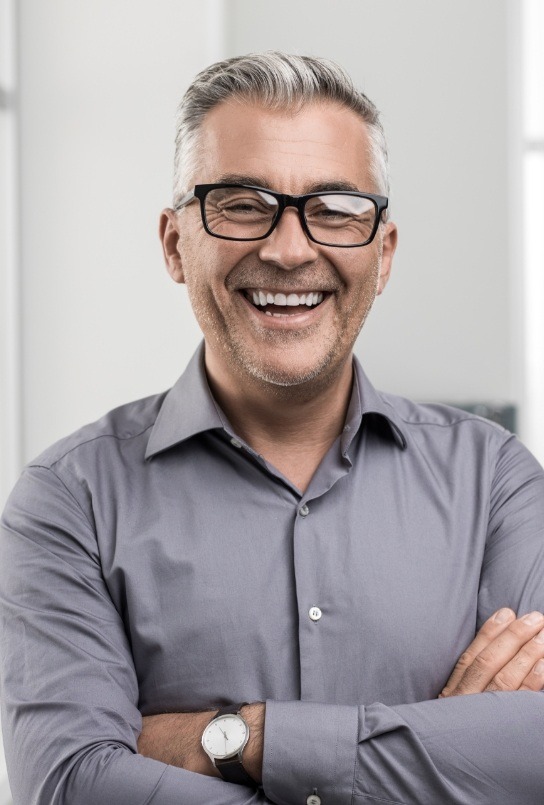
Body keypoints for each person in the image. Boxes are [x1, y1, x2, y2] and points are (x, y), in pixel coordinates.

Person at [1, 52, 544, 805]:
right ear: (173, 243)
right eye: (242, 202)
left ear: (382, 255)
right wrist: (440, 760)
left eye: (336, 209)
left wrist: (237, 737)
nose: (290, 249)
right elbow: (72, 784)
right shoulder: (68, 503)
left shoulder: (497, 483)